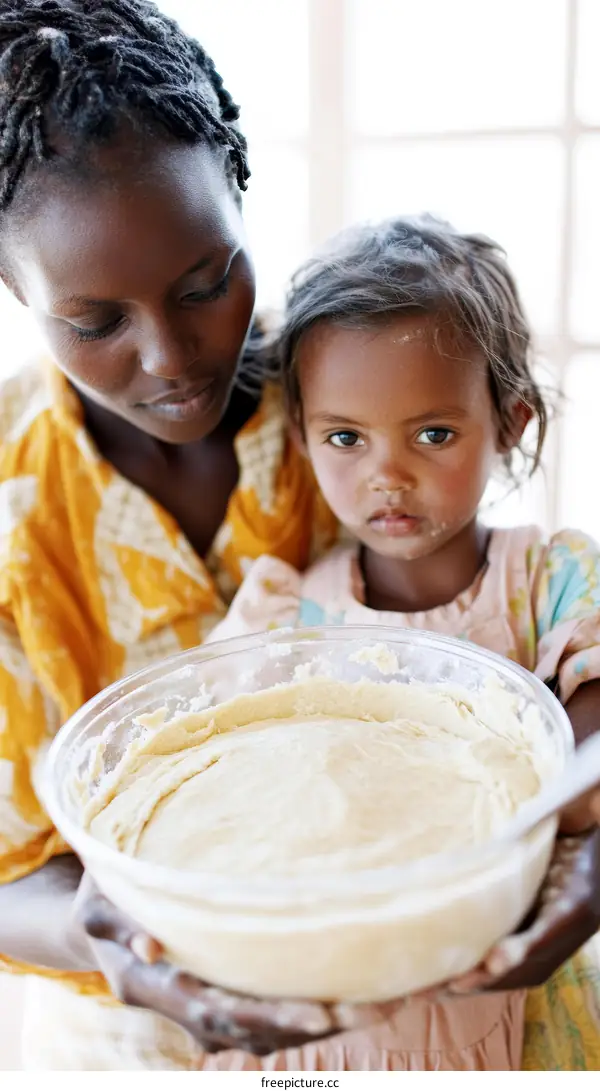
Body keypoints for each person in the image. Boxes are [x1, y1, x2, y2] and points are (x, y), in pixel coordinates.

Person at [0, 0, 338, 1070]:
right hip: (125, 1030)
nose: (173, 357)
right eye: (96, 323)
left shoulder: (356, 401)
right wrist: (99, 934)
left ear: (240, 194)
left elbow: (513, 611)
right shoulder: (15, 511)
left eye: (206, 284)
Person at [204, 215, 600, 1070]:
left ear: (511, 423)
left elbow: (583, 765)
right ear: (302, 435)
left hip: (510, 992)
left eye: (433, 433)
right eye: (346, 437)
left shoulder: (554, 579)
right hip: (337, 1022)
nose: (386, 474)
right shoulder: (292, 615)